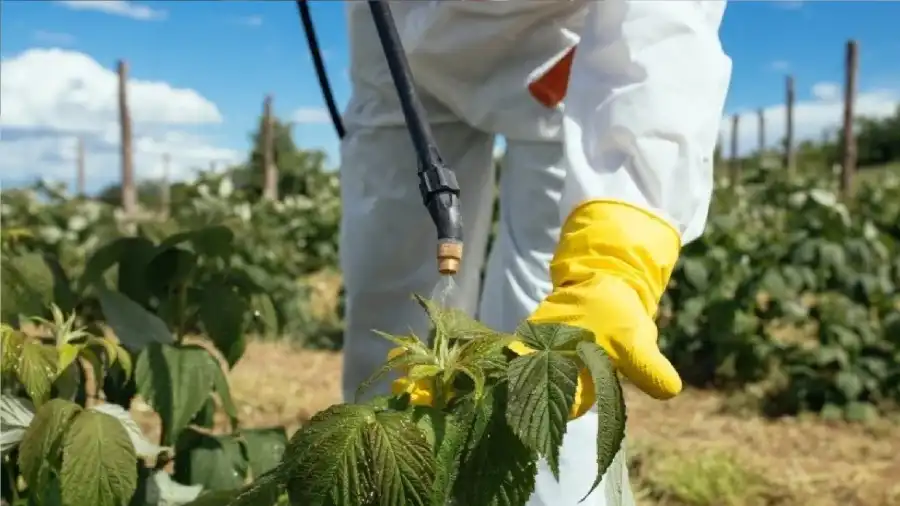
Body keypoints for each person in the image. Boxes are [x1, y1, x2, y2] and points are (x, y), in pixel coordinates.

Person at [338, 1, 732, 505]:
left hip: (558, 48)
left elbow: (664, 26)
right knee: (391, 320)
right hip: (394, 32)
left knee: (550, 349)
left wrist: (615, 253)